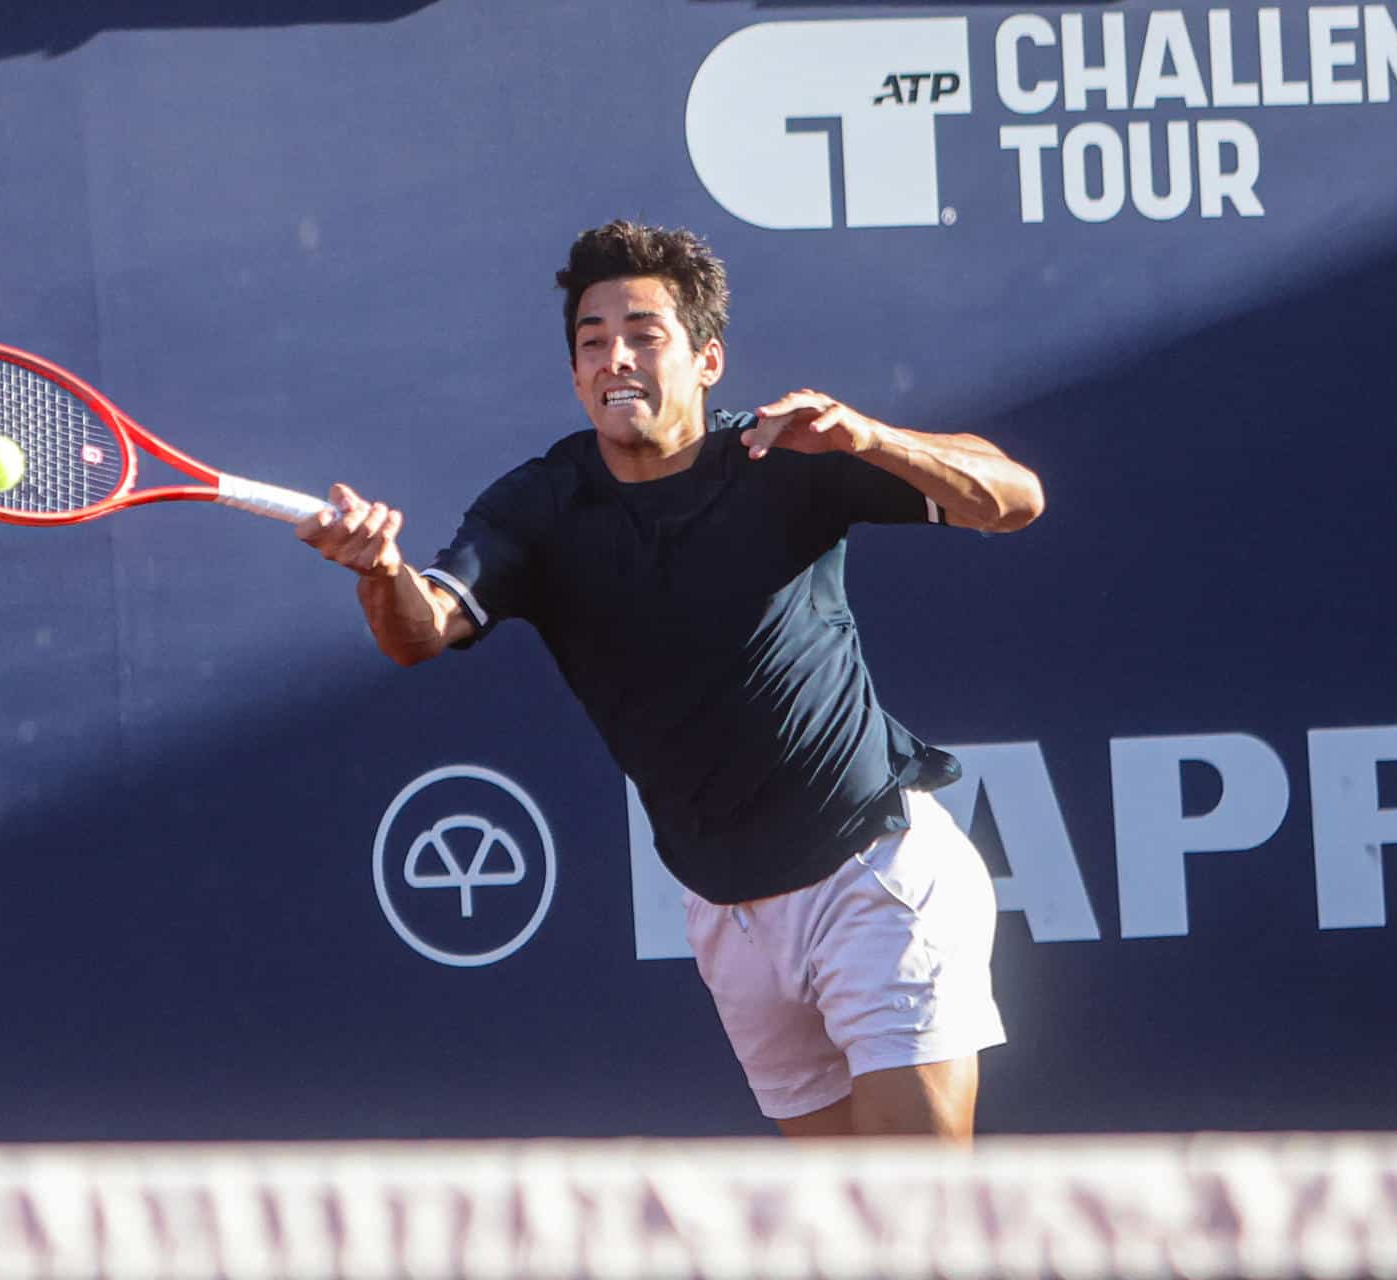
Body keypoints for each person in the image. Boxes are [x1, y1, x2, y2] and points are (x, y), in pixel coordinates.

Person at [299, 220, 1044, 1142]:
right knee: (851, 1230)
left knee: (919, 1221)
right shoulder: (539, 506)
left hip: (873, 878)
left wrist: (871, 438)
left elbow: (1015, 498)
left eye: (645, 335)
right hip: (728, 916)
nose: (617, 358)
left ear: (706, 360)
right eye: (592, 341)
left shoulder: (787, 463)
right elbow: (421, 631)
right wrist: (378, 569)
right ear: (575, 374)